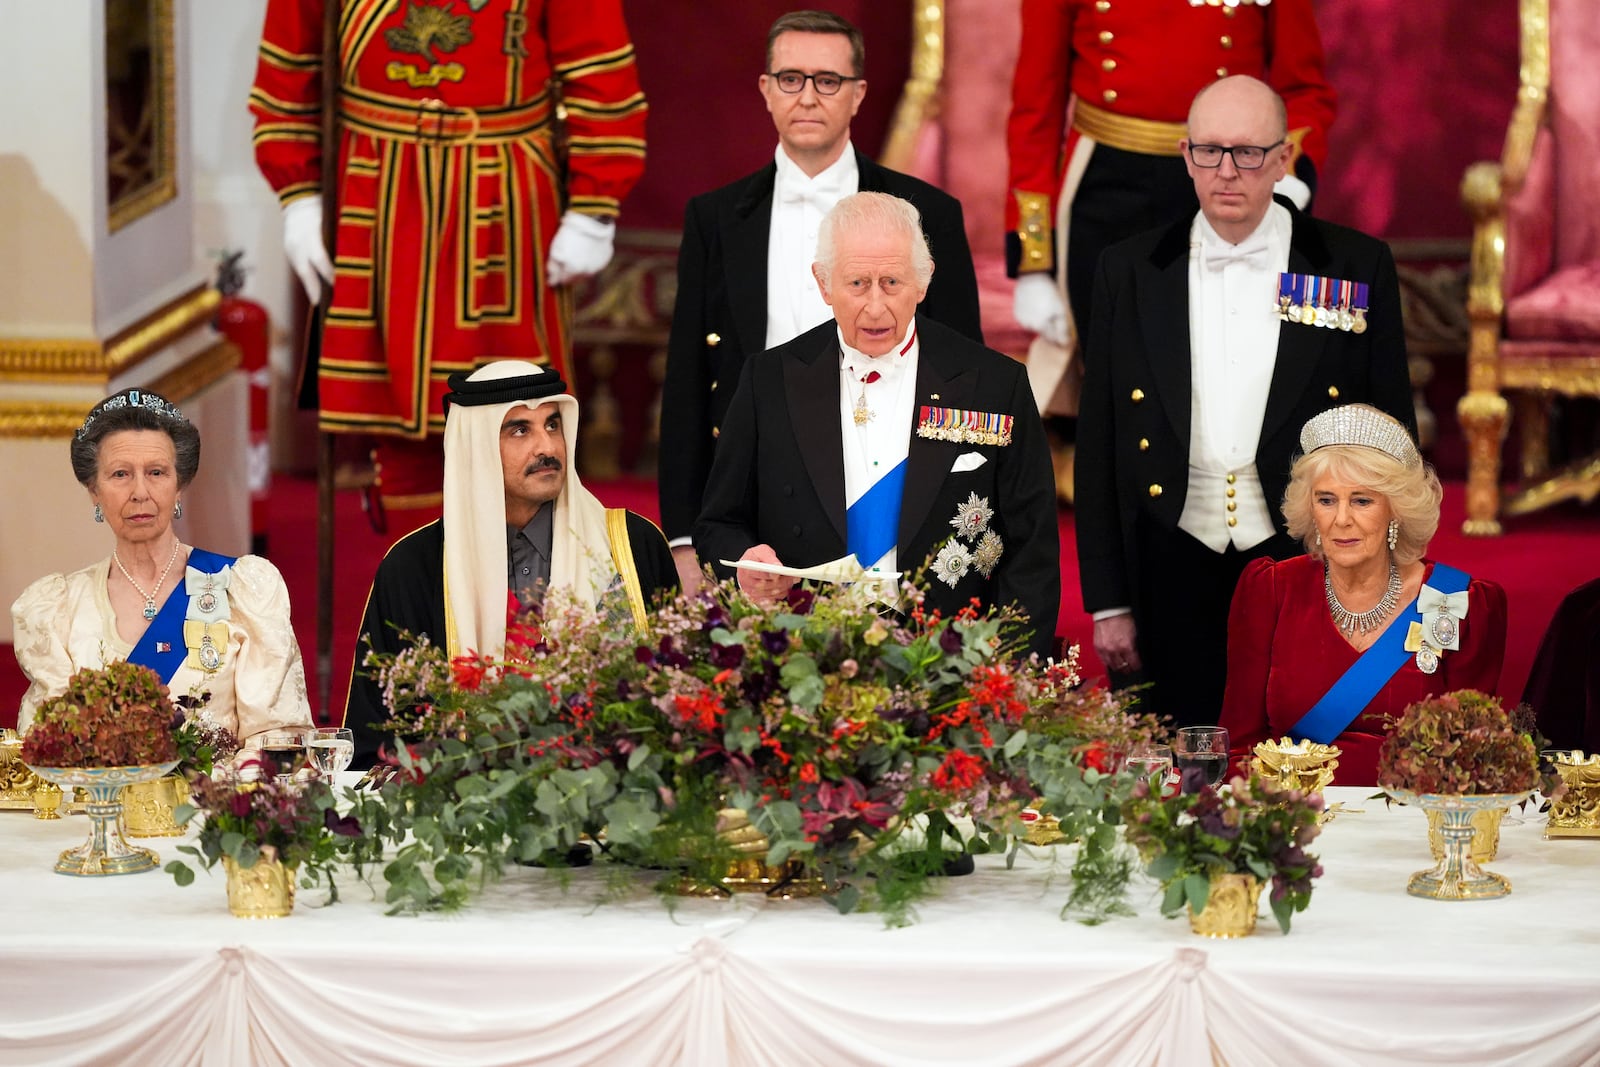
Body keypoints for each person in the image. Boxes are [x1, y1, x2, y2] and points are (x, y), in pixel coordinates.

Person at [1075, 75, 1415, 727]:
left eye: (1249, 153)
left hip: (1307, 554)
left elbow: (1391, 436)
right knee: (1181, 765)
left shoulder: (1352, 265)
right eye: (1209, 151)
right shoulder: (1130, 267)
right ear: (1185, 155)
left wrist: (1387, 575)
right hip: (1170, 554)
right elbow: (1101, 445)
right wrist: (1108, 600)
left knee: (1308, 752)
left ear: (1284, 158)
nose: (1227, 171)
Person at [249, 0, 647, 513]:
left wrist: (594, 205)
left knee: (517, 415)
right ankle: (413, 585)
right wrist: (299, 194)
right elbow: (287, 71)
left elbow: (601, 70)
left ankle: (516, 588)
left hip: (503, 200)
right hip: (375, 199)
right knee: (393, 424)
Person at [659, 10, 983, 593]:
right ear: (765, 89)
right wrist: (684, 539)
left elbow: (965, 376)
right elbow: (688, 380)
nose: (808, 97)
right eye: (790, 78)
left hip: (893, 498)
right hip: (758, 498)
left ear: (858, 94)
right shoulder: (715, 218)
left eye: (827, 80)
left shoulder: (929, 212)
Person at [694, 192, 1058, 660]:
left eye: (891, 282)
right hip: (804, 656)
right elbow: (719, 523)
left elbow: (1033, 549)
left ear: (922, 283)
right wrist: (745, 563)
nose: (875, 306)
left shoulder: (993, 383)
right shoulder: (768, 380)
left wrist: (1008, 671)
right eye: (857, 283)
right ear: (823, 284)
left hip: (952, 665)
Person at [1004, 0, 1334, 430]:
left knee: (1227, 366)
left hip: (1227, 176)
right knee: (1115, 381)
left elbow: (1303, 89)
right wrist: (1034, 264)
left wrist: (1285, 174)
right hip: (1103, 186)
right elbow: (1035, 107)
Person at [345, 361, 677, 767]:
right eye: (520, 430)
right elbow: (373, 743)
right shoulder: (414, 567)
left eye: (553, 425)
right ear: (476, 446)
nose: (548, 448)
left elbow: (675, 709)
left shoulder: (630, 544)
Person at [1220, 405, 1507, 786]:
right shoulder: (1271, 589)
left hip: (1409, 826)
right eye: (1326, 500)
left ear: (1395, 510)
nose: (1341, 519)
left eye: (1362, 500)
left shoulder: (1456, 601)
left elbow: (1472, 762)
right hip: (1294, 821)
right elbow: (1238, 749)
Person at [12, 389, 314, 745]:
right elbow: (49, 747)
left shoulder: (241, 590)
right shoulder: (59, 611)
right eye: (120, 474)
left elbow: (276, 737)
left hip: (217, 797)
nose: (140, 491)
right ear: (94, 491)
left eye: (156, 472)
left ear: (179, 486)